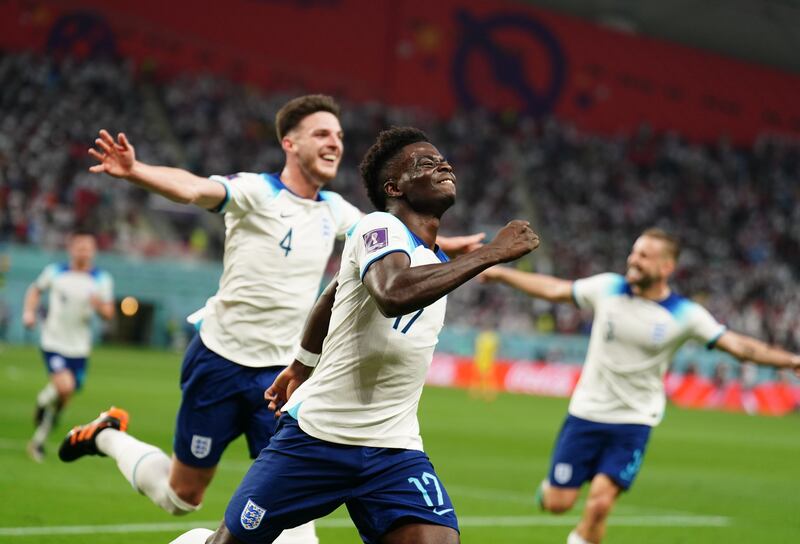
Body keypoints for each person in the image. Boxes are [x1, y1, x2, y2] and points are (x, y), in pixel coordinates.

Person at [57, 96, 482, 543]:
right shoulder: (256, 191)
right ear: (289, 142)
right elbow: (194, 188)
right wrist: (137, 171)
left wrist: (451, 245)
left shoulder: (338, 211)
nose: (334, 142)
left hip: (280, 377)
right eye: (321, 133)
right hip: (221, 357)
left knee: (295, 531)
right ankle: (106, 436)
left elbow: (396, 242)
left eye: (338, 135)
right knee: (182, 496)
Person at [169, 126, 540, 544]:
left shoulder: (432, 258)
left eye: (443, 160)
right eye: (426, 162)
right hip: (317, 440)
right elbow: (392, 293)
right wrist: (493, 252)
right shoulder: (377, 227)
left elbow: (331, 297)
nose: (443, 165)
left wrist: (299, 366)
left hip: (393, 448)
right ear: (393, 186)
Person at [479, 227, 800, 544]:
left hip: (634, 420)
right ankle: (549, 491)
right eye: (634, 252)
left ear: (666, 267)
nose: (633, 260)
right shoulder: (608, 288)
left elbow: (739, 346)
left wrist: (791, 361)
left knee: (600, 504)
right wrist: (501, 275)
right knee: (558, 504)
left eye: (644, 256)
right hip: (587, 413)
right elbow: (554, 290)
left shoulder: (685, 314)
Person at [23, 231, 115, 462]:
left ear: (93, 251)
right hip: (54, 341)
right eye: (79, 247)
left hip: (79, 347)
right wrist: (29, 312)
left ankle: (38, 440)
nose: (83, 251)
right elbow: (35, 290)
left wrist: (98, 306)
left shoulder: (101, 279)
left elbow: (109, 313)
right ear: (71, 248)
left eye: (88, 247)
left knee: (64, 399)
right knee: (64, 387)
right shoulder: (55, 272)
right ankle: (44, 404)